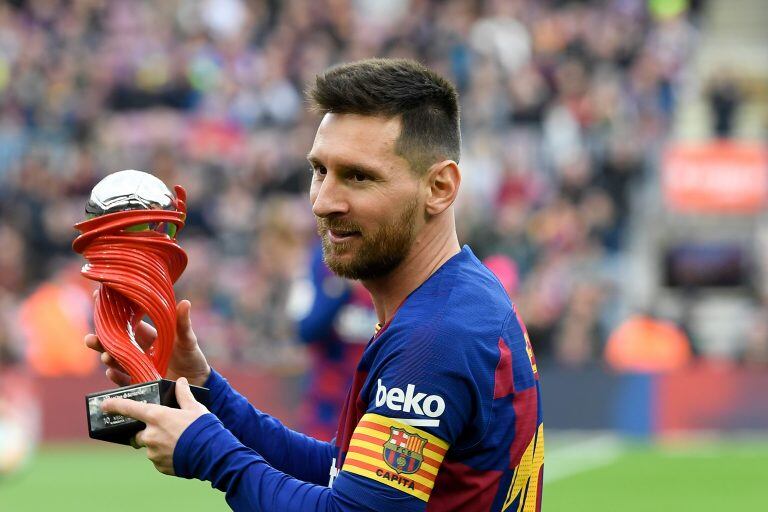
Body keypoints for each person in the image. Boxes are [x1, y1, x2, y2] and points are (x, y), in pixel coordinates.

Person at [86, 58, 544, 511]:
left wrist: (207, 451)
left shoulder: (435, 335)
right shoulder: (457, 297)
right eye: (320, 170)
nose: (324, 202)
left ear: (440, 187)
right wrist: (204, 388)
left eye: (358, 176)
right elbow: (339, 472)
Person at [292, 240, 376, 441]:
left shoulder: (397, 256)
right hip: (326, 405)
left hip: (373, 406)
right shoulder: (323, 257)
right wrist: (341, 289)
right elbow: (307, 330)